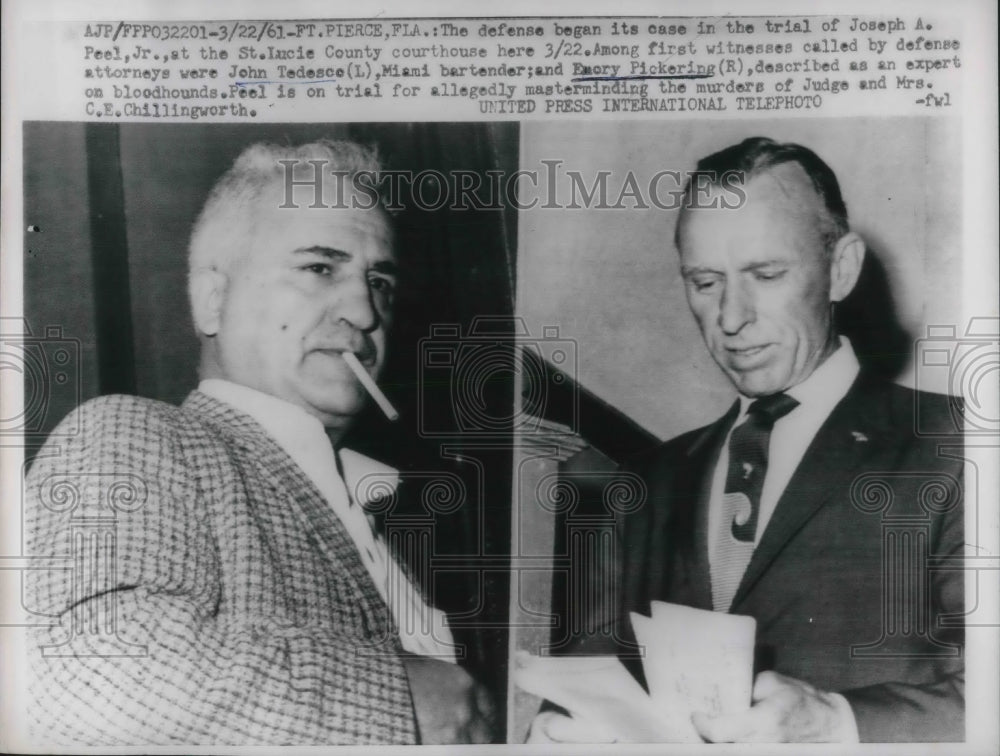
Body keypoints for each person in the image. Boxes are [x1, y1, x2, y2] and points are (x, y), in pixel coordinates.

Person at [23, 140, 494, 745]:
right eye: (319, 268)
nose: (365, 310)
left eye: (379, 281)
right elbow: (85, 671)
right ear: (212, 299)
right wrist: (396, 697)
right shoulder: (135, 434)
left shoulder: (390, 511)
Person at [530, 137, 964, 743]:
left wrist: (835, 725)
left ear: (841, 269)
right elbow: (588, 683)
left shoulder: (958, 446)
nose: (731, 318)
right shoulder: (641, 486)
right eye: (705, 283)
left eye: (765, 274)